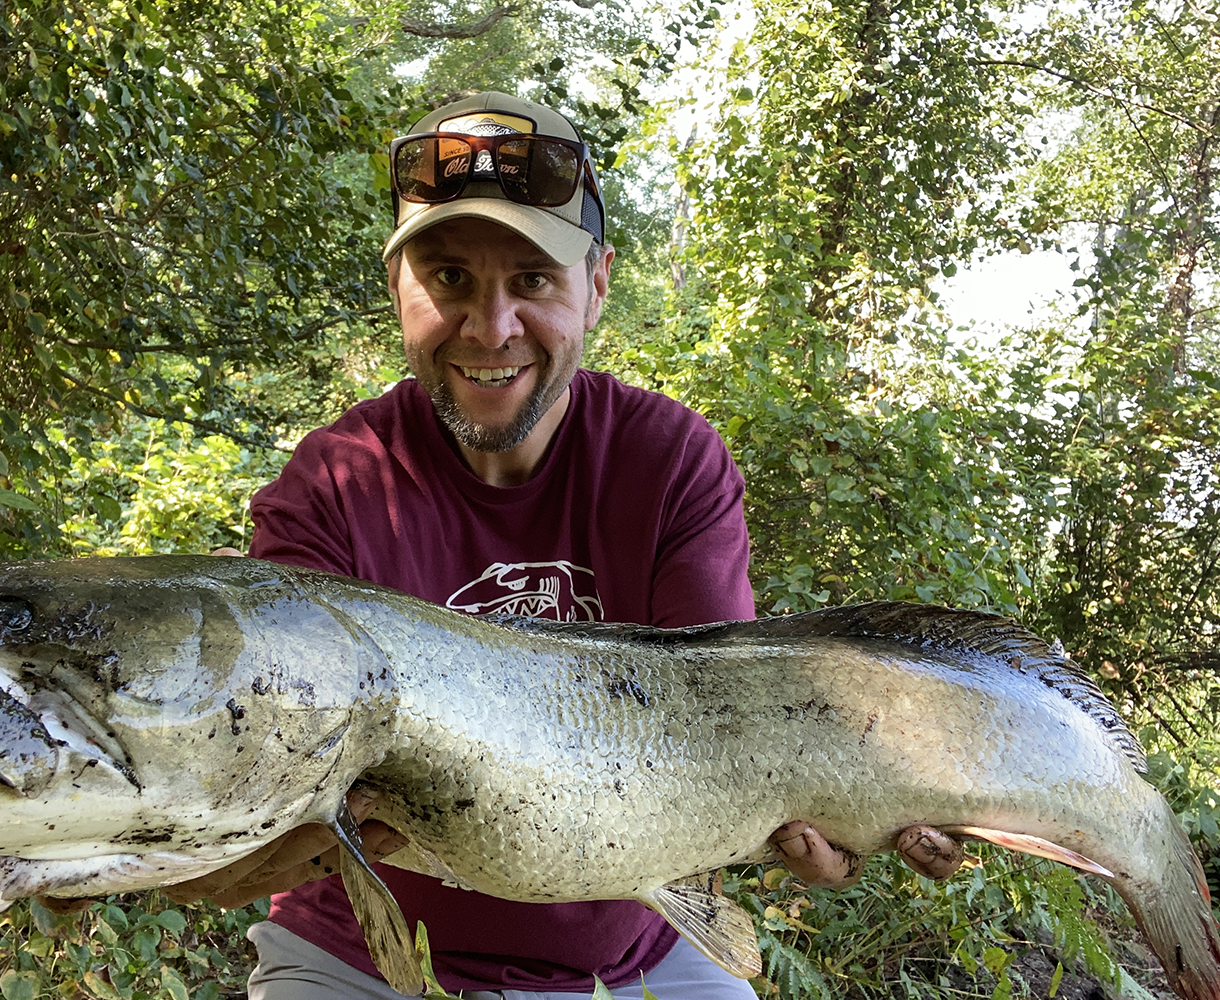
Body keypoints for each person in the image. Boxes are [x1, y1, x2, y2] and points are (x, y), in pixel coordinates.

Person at [168, 91, 964, 1000]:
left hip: (642, 945)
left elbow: (722, 720)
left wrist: (820, 808)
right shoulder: (333, 482)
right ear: (399, 289)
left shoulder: (670, 460)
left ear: (599, 284)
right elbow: (273, 765)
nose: (491, 327)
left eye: (533, 280)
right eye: (450, 278)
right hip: (359, 958)